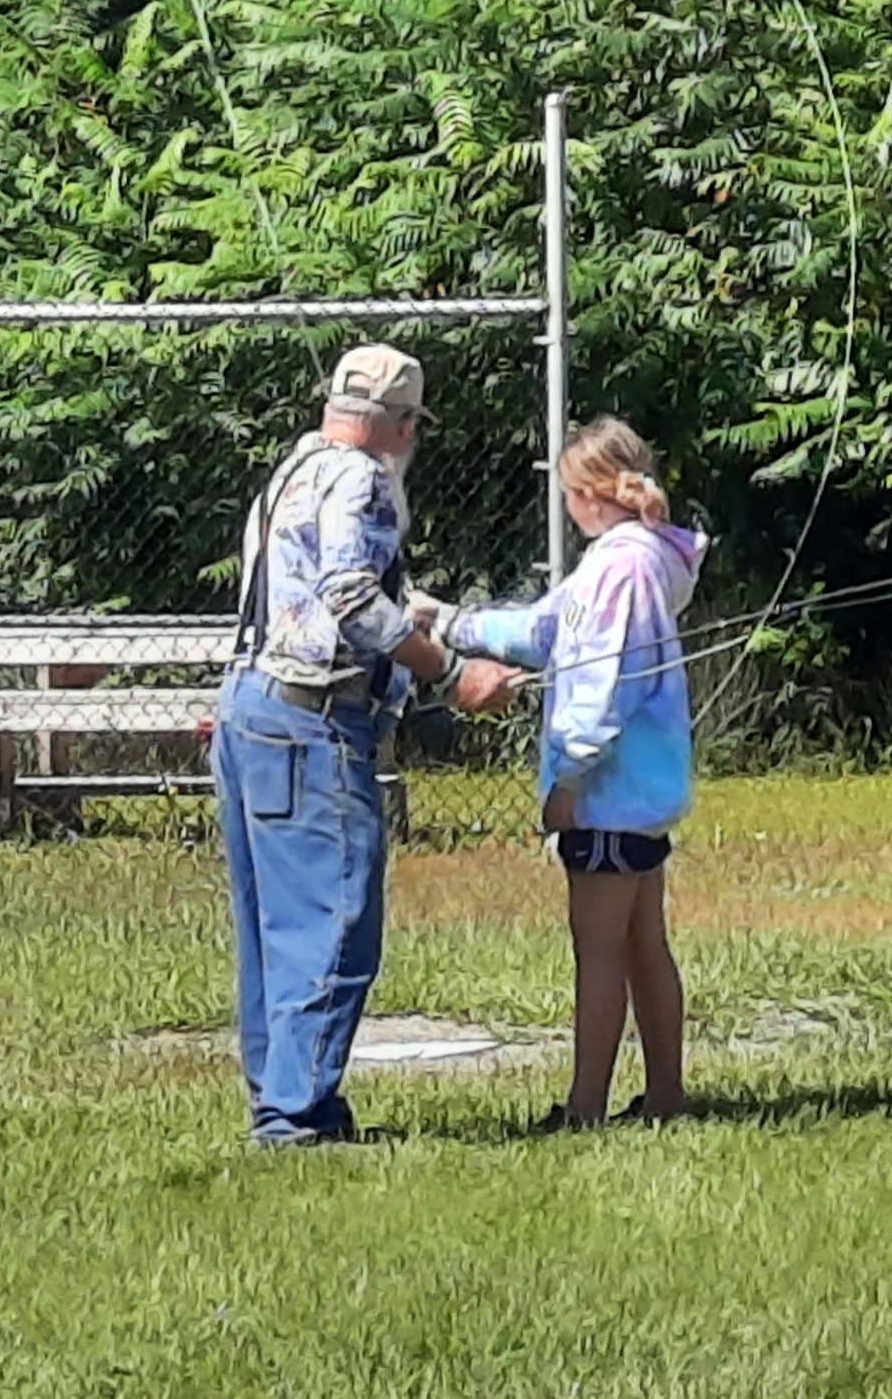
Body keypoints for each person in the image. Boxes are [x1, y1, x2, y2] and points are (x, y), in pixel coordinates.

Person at [213, 343, 517, 1146]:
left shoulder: (297, 468)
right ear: (403, 423)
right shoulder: (366, 479)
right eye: (414, 423)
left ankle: (287, 1098)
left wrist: (432, 617)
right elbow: (351, 600)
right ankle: (295, 1116)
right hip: (314, 721)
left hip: (250, 706)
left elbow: (329, 587)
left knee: (272, 926)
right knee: (336, 916)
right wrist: (452, 674)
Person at [413, 416, 708, 1126]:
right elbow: (548, 630)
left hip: (607, 791)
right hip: (639, 790)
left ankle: (585, 1108)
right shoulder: (640, 559)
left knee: (599, 951)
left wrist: (568, 781)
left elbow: (602, 680)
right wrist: (450, 621)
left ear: (589, 492)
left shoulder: (619, 567)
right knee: (643, 944)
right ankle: (665, 1095)